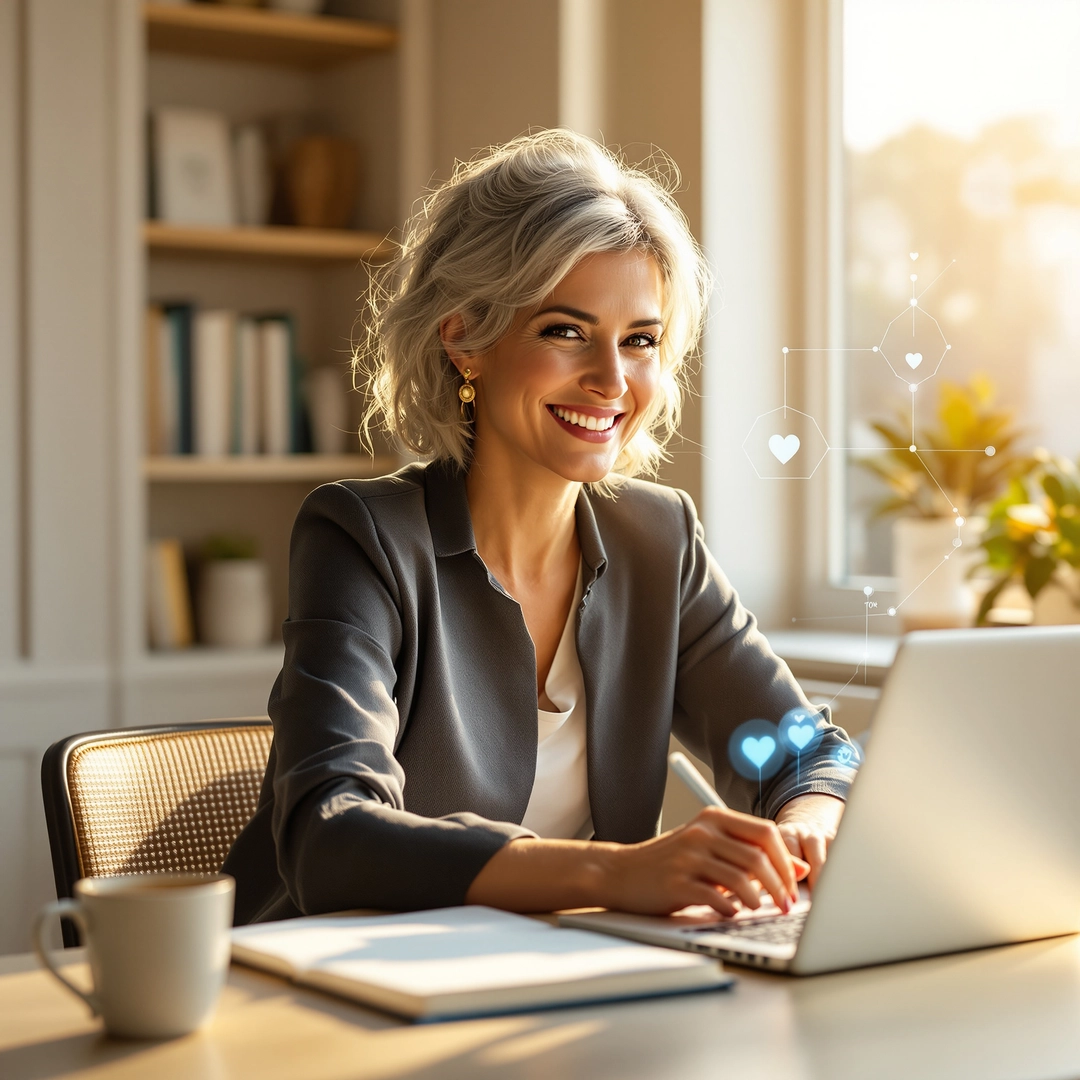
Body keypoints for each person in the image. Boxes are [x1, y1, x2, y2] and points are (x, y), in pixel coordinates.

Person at [224, 129, 857, 926]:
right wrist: (618, 873)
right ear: (465, 340)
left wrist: (803, 832)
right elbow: (332, 836)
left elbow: (809, 752)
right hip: (329, 994)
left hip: (556, 986)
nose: (612, 379)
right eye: (566, 330)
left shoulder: (659, 542)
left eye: (641, 341)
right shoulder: (363, 537)